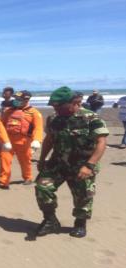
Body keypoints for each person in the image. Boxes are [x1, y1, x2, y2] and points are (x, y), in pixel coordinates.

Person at [35, 87, 108, 238]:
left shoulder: (91, 118)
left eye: (59, 106)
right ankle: (50, 220)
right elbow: (49, 140)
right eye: (54, 106)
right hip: (58, 163)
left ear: (73, 102)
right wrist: (42, 159)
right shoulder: (54, 118)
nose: (55, 109)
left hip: (82, 164)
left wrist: (89, 165)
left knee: (83, 196)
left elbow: (101, 142)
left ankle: (80, 223)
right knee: (42, 187)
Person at [0, 90, 43, 189]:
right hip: (8, 140)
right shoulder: (8, 111)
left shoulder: (34, 113)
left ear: (26, 100)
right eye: (15, 99)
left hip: (24, 140)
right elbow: (1, 125)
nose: (16, 101)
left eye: (19, 99)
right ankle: (3, 182)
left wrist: (37, 140)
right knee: (4, 160)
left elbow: (38, 128)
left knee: (25, 161)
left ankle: (28, 177)